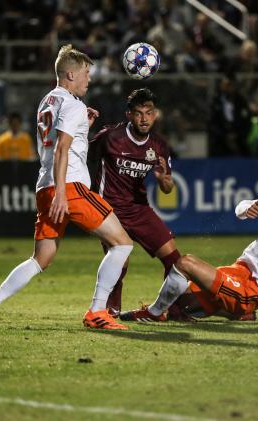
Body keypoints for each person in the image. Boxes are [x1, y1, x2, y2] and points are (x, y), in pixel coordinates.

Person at [0, 44, 133, 330]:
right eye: (85, 74)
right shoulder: (74, 104)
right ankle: (97, 311)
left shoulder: (47, 101)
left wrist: (84, 128)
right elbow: (62, 150)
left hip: (45, 187)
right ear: (70, 74)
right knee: (123, 243)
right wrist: (64, 195)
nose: (89, 79)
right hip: (69, 186)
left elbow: (60, 143)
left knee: (41, 259)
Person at [120, 164, 258, 327]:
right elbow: (240, 208)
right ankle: (236, 313)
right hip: (236, 271)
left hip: (252, 290)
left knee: (185, 263)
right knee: (179, 305)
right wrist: (248, 208)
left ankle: (154, 312)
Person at [88, 88, 185, 320]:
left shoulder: (159, 146)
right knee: (120, 261)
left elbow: (168, 188)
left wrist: (164, 181)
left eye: (149, 113)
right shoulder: (110, 136)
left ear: (155, 115)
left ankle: (169, 310)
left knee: (176, 261)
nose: (144, 118)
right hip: (108, 210)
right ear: (129, 115)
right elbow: (83, 155)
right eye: (139, 113)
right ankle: (109, 311)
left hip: (139, 209)